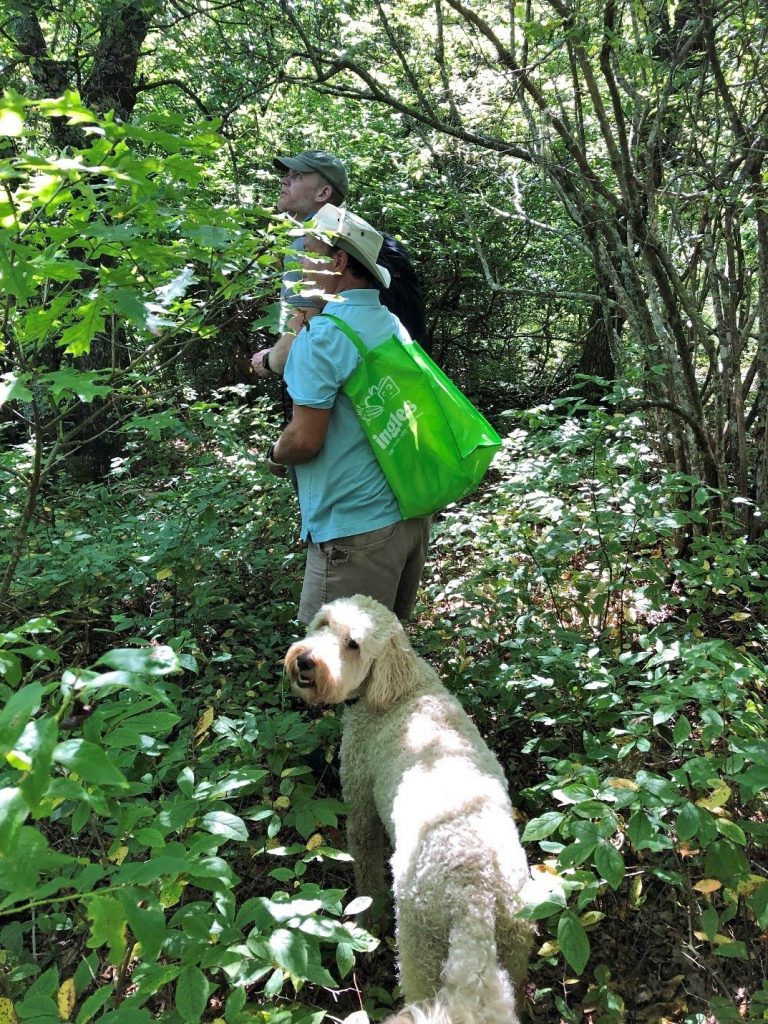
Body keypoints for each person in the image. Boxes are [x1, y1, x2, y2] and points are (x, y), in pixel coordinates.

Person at [265, 205, 430, 625]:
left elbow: (304, 440)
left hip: (354, 531)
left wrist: (274, 453)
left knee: (328, 676)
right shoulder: (388, 322)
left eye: (306, 251)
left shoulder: (324, 337)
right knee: (380, 661)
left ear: (337, 261)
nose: (297, 261)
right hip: (405, 514)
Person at [251, 150, 348, 379]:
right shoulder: (351, 238)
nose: (284, 180)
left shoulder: (308, 246)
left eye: (297, 176)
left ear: (323, 193)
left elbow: (302, 328)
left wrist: (268, 361)